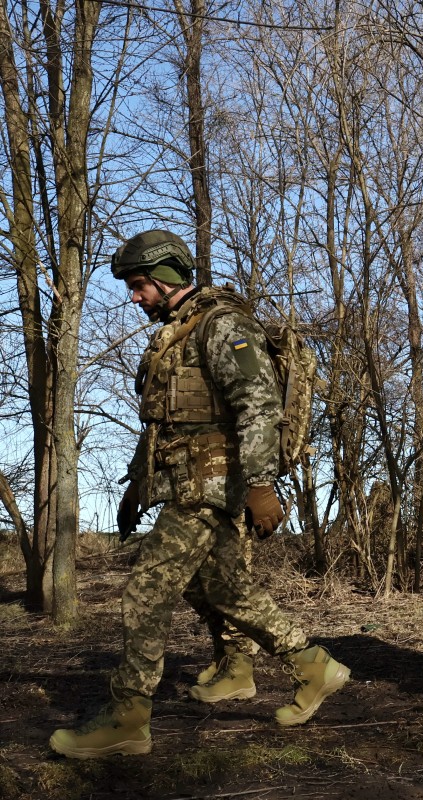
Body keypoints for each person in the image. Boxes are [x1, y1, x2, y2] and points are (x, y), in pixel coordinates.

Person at [50, 230, 349, 759]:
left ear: (166, 279)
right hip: (187, 484)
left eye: (140, 285)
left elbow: (258, 407)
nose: (134, 296)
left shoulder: (223, 325)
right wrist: (136, 485)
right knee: (225, 590)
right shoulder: (177, 333)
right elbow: (165, 427)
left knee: (145, 592)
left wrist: (261, 486)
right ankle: (313, 665)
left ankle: (128, 718)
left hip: (211, 487)